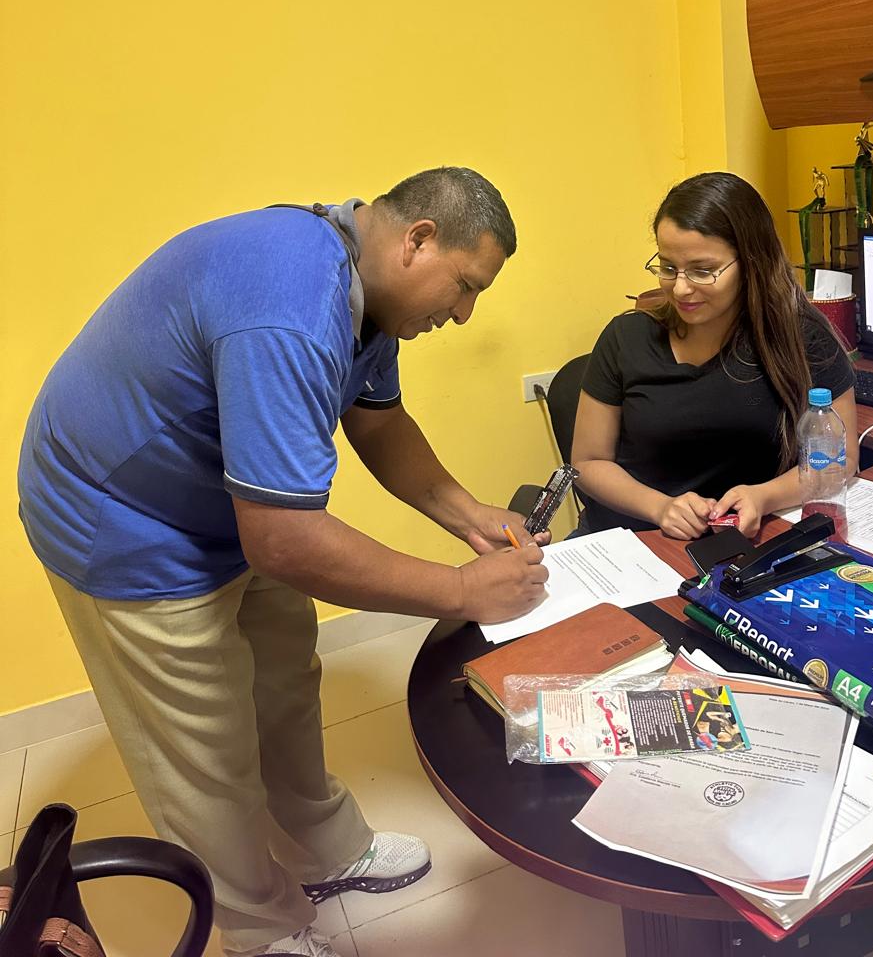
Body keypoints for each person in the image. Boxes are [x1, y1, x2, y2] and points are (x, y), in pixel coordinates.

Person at [18, 167, 548, 957]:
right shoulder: (292, 304)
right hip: (124, 522)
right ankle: (257, 929)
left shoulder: (367, 291)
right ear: (419, 239)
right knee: (206, 751)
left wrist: (471, 516)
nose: (465, 312)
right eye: (466, 286)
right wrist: (464, 590)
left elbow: (378, 422)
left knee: (286, 686)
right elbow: (286, 541)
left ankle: (326, 851)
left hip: (232, 498)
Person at [570, 171, 857, 541]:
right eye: (668, 267)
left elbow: (843, 458)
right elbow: (588, 462)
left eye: (703, 271)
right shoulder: (626, 338)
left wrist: (764, 496)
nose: (681, 288)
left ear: (750, 262)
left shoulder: (800, 337)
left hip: (738, 542)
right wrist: (660, 507)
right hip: (631, 540)